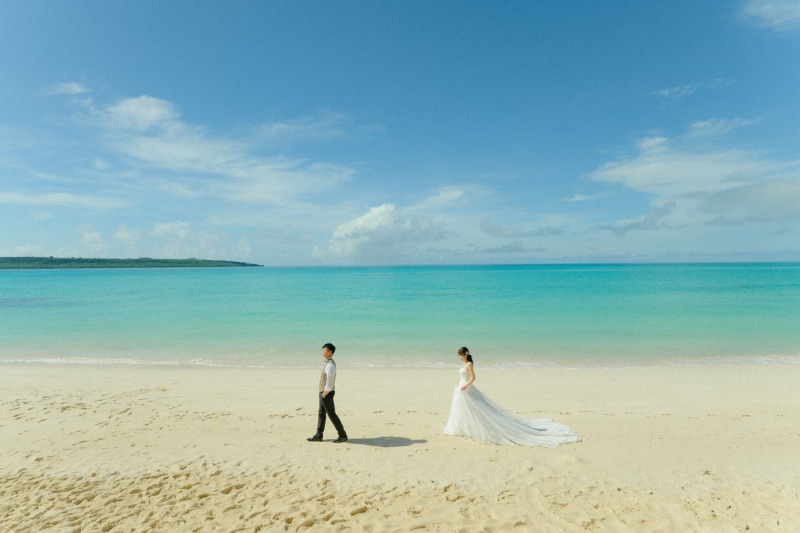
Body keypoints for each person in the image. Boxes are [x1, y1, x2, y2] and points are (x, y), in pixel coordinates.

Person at [443, 347, 580, 447]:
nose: (460, 357)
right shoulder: (463, 364)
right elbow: (463, 375)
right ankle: (461, 427)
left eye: (460, 355)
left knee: (477, 409)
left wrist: (466, 385)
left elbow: (473, 378)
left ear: (465, 355)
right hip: (460, 387)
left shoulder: (469, 364)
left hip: (466, 388)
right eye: (459, 356)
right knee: (461, 409)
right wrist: (459, 383)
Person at [307, 343, 348, 443]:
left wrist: (325, 393)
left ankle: (342, 435)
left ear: (330, 352)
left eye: (324, 350)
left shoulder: (330, 365)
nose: (323, 351)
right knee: (321, 413)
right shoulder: (327, 363)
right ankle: (318, 435)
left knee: (331, 414)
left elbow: (330, 381)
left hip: (326, 393)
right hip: (323, 392)